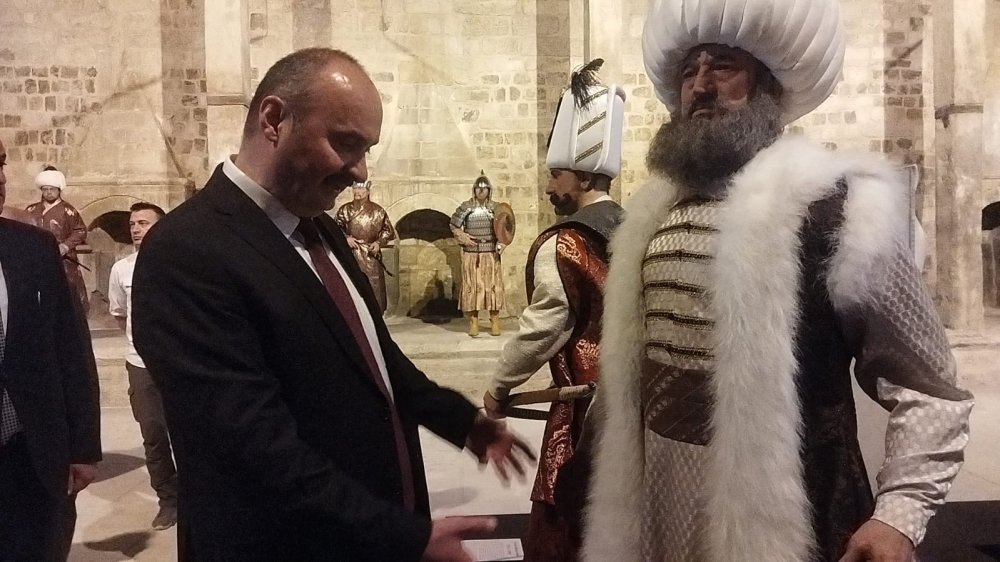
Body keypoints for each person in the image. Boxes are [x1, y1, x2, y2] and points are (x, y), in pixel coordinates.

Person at [582, 1, 974, 561]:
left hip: (791, 512)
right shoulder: (651, 216)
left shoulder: (838, 207)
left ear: (767, 84)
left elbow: (929, 387)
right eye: (689, 72)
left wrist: (899, 515)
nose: (700, 87)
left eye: (723, 67)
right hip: (655, 509)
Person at [132, 48, 534, 562]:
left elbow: (375, 361)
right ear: (274, 120)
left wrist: (460, 421)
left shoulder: (320, 229)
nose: (360, 172)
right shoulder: (187, 250)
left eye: (367, 149)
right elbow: (253, 448)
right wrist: (401, 536)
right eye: (346, 143)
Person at [482, 60, 626, 562]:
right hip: (631, 410)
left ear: (582, 174)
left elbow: (543, 328)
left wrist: (499, 386)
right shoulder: (639, 231)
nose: (548, 187)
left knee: (564, 524)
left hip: (582, 415)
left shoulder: (564, 243)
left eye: (555, 174)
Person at [0, 138, 102, 561]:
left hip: (30, 453)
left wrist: (83, 447)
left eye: (0, 164)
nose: (0, 177)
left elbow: (70, 349)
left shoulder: (34, 246)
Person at [108, 202, 177, 531]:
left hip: (179, 364)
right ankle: (168, 499)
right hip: (140, 363)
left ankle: (201, 495)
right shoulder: (121, 269)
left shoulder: (181, 263)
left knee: (193, 432)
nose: (136, 228)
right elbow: (119, 313)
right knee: (153, 433)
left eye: (144, 223)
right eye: (133, 223)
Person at [26, 166, 91, 316]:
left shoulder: (68, 211)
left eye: (52, 189)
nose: (48, 192)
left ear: (59, 189)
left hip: (63, 261)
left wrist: (65, 246)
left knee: (68, 298)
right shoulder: (31, 210)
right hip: (37, 261)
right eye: (45, 189)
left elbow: (80, 230)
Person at [450, 172, 506, 336]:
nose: (481, 191)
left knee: (493, 288)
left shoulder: (497, 208)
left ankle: (495, 321)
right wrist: (463, 237)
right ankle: (473, 322)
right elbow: (454, 225)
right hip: (471, 254)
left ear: (489, 190)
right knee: (471, 288)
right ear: (474, 190)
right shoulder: (466, 207)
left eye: (484, 188)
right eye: (478, 188)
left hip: (491, 253)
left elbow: (506, 228)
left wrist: (502, 242)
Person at [335, 180, 396, 313]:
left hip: (370, 254)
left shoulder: (378, 210)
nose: (358, 192)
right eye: (355, 189)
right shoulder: (345, 210)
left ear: (368, 192)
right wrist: (346, 238)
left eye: (361, 189)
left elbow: (388, 231)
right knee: (352, 283)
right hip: (351, 253)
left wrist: (379, 242)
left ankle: (376, 313)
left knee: (374, 287)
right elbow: (335, 228)